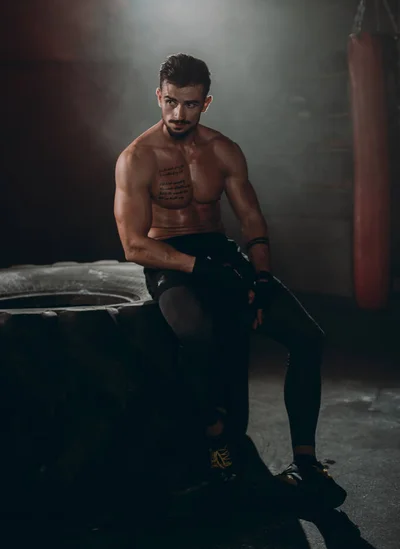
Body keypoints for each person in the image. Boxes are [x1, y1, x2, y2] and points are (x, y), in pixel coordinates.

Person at [114, 53, 346, 508]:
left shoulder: (223, 150)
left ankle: (305, 461)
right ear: (158, 96)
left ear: (207, 102)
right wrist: (204, 272)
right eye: (171, 102)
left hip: (221, 253)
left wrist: (260, 275)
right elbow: (134, 246)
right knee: (197, 334)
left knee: (308, 338)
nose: (179, 114)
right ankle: (216, 440)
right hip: (169, 261)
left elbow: (252, 220)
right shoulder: (136, 158)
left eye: (191, 104)